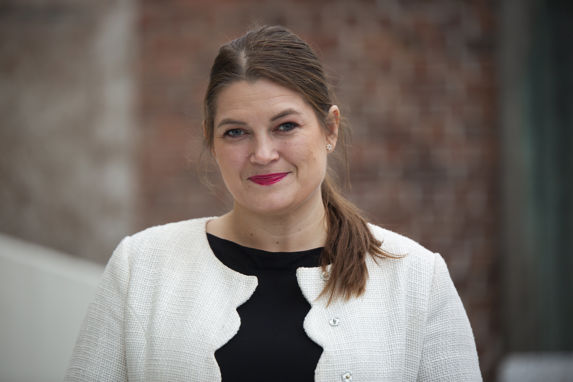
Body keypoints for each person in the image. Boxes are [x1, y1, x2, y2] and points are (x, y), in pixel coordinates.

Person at [65, 25, 482, 381]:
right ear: (211, 140)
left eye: (285, 126)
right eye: (236, 132)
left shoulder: (415, 279)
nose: (263, 153)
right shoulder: (141, 267)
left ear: (330, 129)